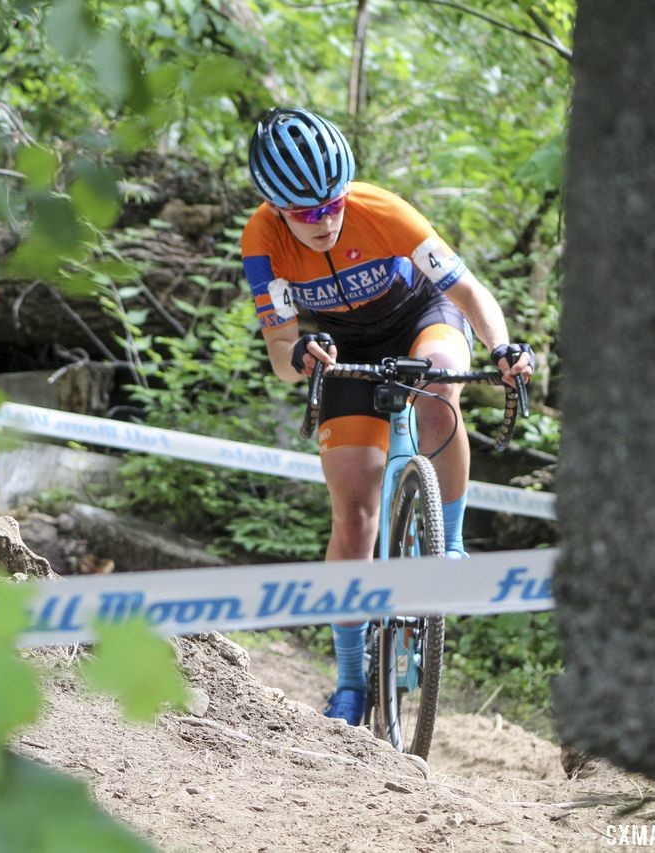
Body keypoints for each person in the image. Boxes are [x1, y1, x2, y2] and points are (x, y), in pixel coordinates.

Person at [240, 107, 534, 726]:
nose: (324, 221)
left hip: (421, 317)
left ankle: (448, 545)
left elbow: (470, 294)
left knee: (438, 391)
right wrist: (299, 353)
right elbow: (281, 357)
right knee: (353, 516)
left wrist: (502, 348)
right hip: (343, 347)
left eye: (332, 204)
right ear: (275, 208)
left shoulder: (384, 213)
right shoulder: (261, 244)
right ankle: (350, 681)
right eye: (305, 212)